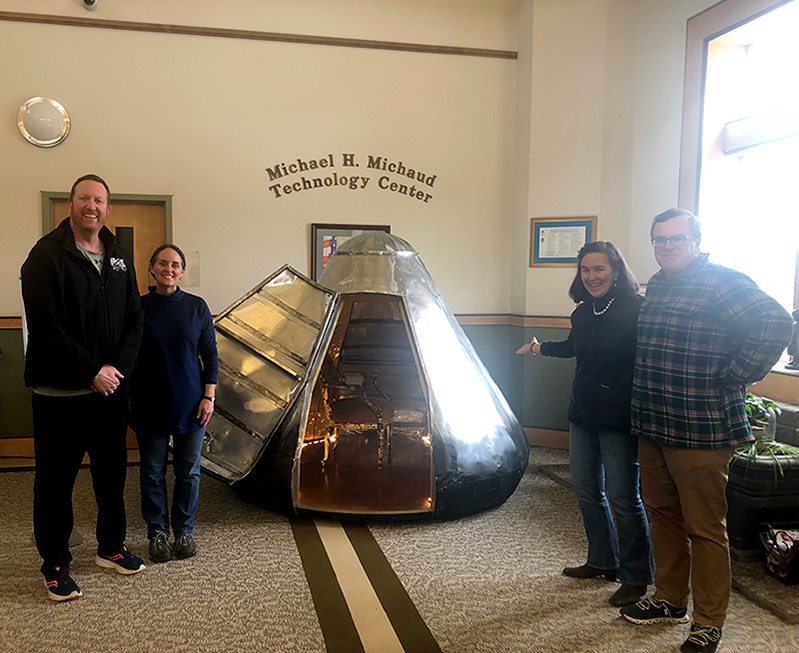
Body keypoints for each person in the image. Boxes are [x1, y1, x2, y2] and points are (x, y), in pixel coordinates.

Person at [620, 209, 794, 653]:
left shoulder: (722, 281)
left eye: (676, 238)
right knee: (662, 515)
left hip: (702, 428)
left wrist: (737, 373)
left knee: (705, 528)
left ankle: (708, 621)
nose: (666, 246)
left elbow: (776, 322)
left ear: (696, 240)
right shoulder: (658, 284)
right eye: (659, 240)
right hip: (653, 422)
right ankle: (669, 599)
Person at [21, 174, 145, 602]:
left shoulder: (118, 256)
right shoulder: (45, 255)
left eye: (100, 200)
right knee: (55, 483)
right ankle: (55, 564)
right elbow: (46, 328)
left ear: (108, 209)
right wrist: (92, 369)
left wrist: (117, 370)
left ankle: (111, 547)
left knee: (111, 477)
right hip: (61, 395)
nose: (92, 206)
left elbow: (135, 319)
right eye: (84, 199)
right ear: (70, 205)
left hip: (109, 394)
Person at [517, 241, 653, 607]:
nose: (591, 276)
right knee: (586, 490)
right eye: (585, 270)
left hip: (618, 418)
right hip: (583, 413)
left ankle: (636, 575)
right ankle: (601, 561)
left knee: (623, 497)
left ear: (617, 270)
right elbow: (573, 347)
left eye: (599, 269)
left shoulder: (639, 310)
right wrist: (539, 347)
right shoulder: (583, 311)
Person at [130, 244, 218, 563]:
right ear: (152, 268)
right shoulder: (137, 307)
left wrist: (209, 396)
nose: (169, 268)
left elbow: (210, 355)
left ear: (182, 271)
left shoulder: (197, 307)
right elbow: (127, 354)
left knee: (188, 472)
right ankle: (157, 534)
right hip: (149, 401)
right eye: (163, 263)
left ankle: (183, 531)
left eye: (176, 264)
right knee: (152, 472)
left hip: (192, 402)